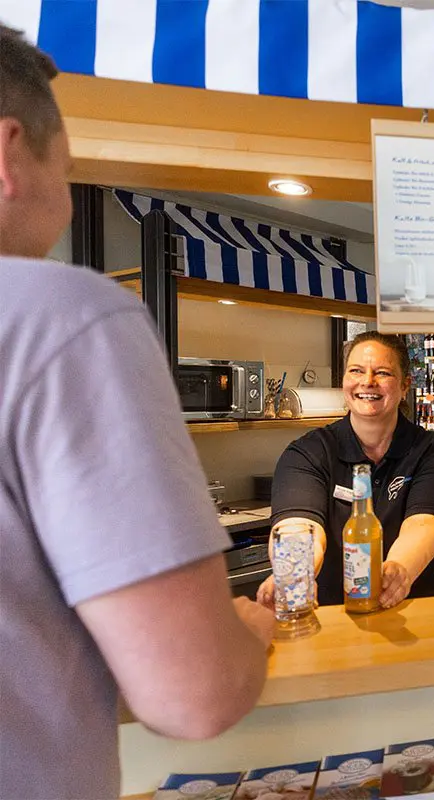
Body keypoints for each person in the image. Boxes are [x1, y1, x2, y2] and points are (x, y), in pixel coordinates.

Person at [0, 25, 276, 800]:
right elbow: (195, 695)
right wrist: (250, 631)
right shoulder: (62, 315)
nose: (68, 193)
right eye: (69, 169)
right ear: (9, 153)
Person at [259, 332, 434, 609]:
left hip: (426, 611)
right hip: (341, 615)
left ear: (405, 385)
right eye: (356, 371)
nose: (367, 381)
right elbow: (300, 524)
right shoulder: (308, 453)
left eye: (382, 373)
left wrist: (398, 570)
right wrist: (296, 571)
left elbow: (425, 524)